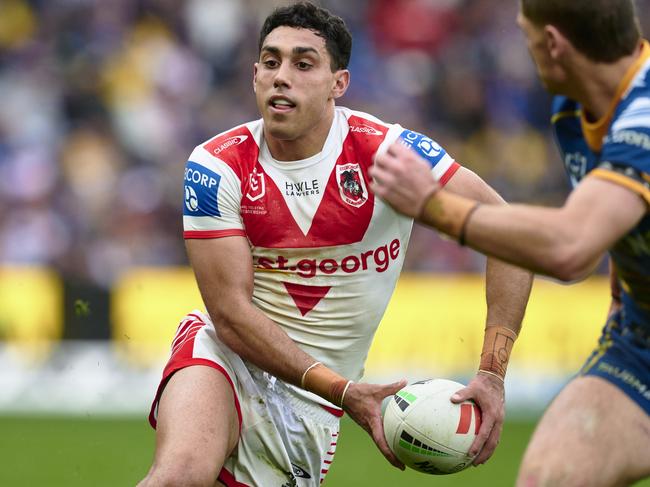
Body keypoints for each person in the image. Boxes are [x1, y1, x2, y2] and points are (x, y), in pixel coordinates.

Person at [138, 2, 532, 486]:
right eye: (270, 61)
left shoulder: (387, 156)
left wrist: (492, 373)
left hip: (315, 412)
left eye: (303, 64)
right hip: (232, 360)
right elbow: (230, 317)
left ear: (337, 84)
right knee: (180, 475)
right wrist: (344, 390)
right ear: (254, 74)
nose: (282, 76)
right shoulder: (217, 166)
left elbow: (509, 235)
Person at [370, 0, 650, 485]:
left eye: (526, 35)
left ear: (554, 44)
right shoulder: (574, 110)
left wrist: (436, 207)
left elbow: (570, 250)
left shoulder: (644, 116)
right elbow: (612, 234)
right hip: (638, 345)